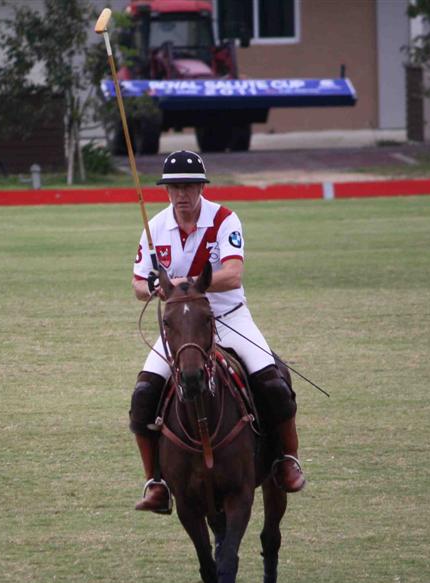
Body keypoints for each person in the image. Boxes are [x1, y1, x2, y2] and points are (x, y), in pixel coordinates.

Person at [130, 150, 305, 514]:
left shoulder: (224, 219)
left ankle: (286, 460)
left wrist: (182, 283)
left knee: (273, 384)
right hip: (183, 328)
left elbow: (233, 274)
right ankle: (156, 482)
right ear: (166, 191)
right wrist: (154, 286)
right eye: (175, 187)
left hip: (229, 319)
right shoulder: (154, 228)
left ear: (201, 187)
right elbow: (137, 285)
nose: (182, 194)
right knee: (144, 394)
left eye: (189, 186)